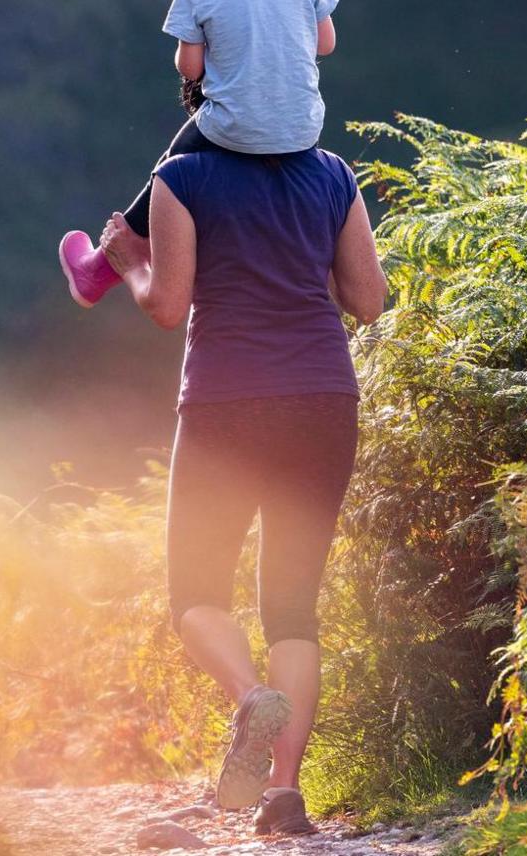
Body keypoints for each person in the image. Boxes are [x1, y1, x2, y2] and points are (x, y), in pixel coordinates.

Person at [95, 116, 385, 832]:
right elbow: (370, 302)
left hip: (226, 403)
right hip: (323, 400)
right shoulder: (333, 174)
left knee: (195, 594)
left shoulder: (181, 177)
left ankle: (251, 695)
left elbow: (167, 305)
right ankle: (284, 796)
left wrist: (127, 259)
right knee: (292, 607)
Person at [59, 0, 340, 306]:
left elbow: (190, 70)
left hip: (232, 132)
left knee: (170, 163)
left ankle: (100, 269)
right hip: (303, 131)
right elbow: (325, 43)